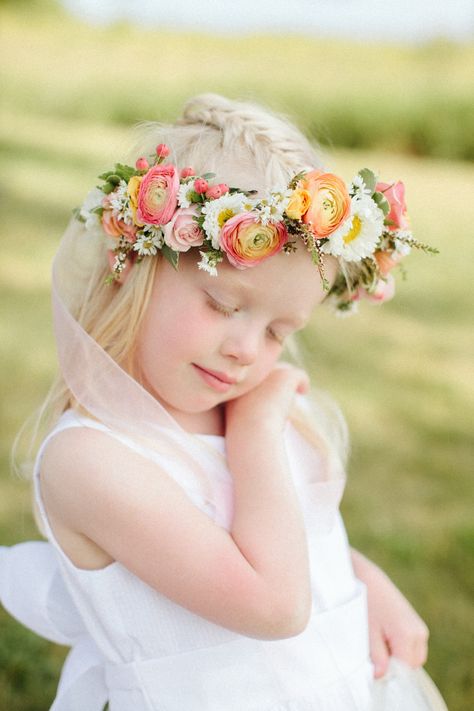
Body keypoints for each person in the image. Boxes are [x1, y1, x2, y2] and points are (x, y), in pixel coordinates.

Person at [0, 94, 447, 711]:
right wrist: (257, 431)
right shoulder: (91, 460)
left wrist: (362, 579)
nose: (246, 350)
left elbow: (293, 532)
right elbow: (273, 605)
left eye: (278, 332)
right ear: (133, 266)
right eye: (224, 306)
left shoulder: (244, 405)